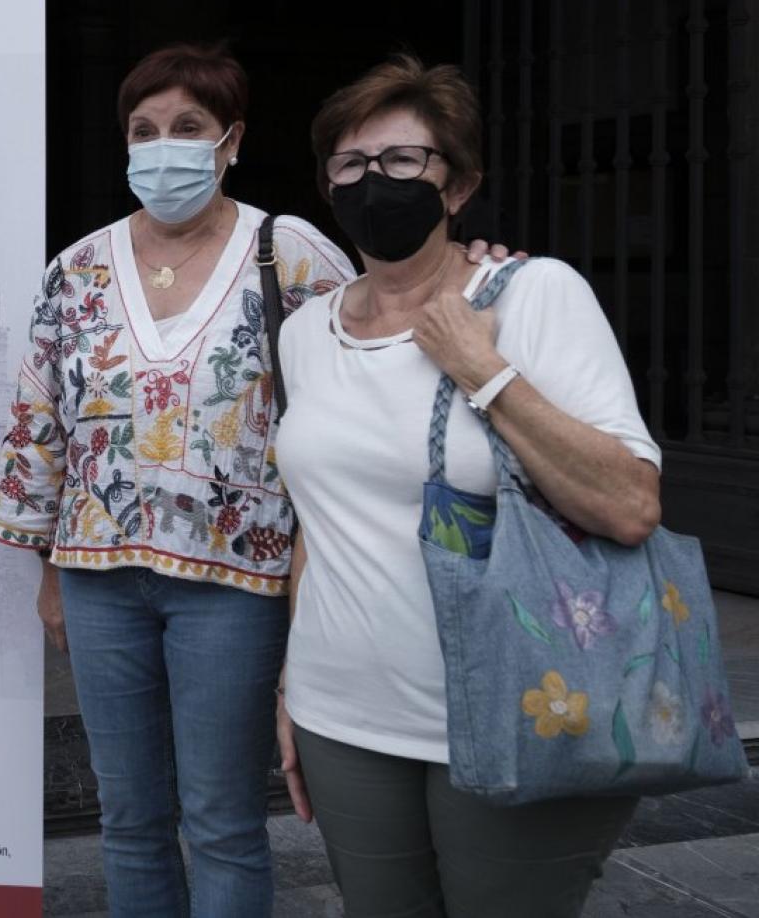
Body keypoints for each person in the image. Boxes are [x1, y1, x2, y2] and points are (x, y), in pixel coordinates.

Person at [274, 56, 660, 917]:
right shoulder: (306, 334)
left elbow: (631, 505)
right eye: (351, 164)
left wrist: (479, 367)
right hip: (344, 716)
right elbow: (317, 523)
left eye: (404, 161)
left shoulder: (535, 297)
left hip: (514, 707)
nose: (375, 182)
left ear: (459, 186)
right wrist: (293, 686)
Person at [0, 42, 356, 916]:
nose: (165, 146)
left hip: (236, 583)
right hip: (98, 580)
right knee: (128, 818)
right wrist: (48, 572)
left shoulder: (291, 253)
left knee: (224, 817)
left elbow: (360, 383)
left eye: (187, 127)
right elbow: (40, 419)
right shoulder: (76, 269)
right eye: (145, 129)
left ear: (229, 141)